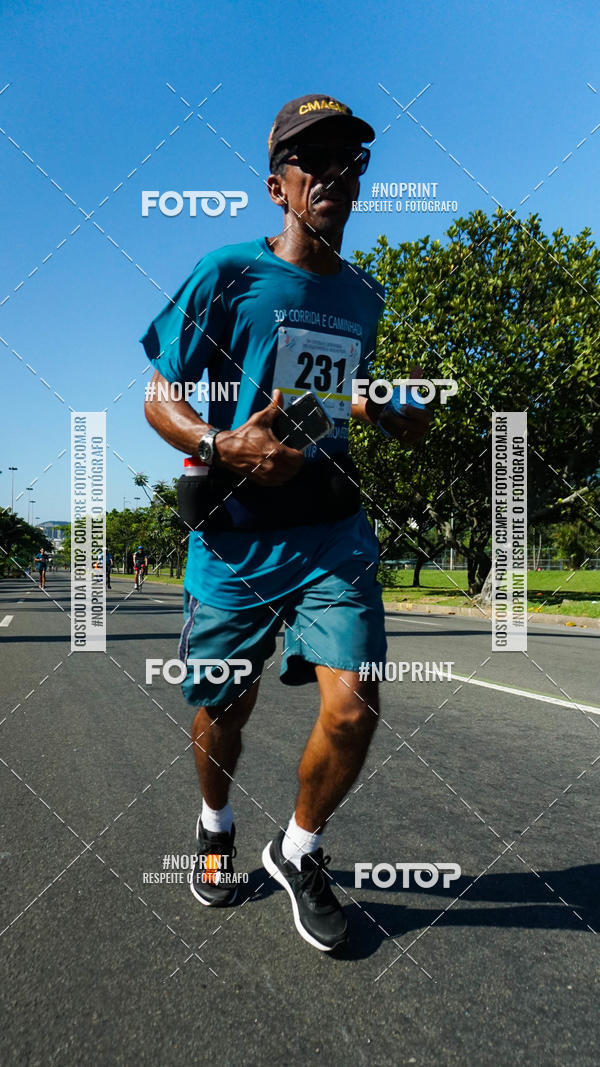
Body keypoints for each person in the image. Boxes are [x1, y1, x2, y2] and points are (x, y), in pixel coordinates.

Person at [142, 94, 430, 951]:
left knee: (356, 705)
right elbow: (161, 395)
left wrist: (385, 406)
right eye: (312, 160)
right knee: (225, 702)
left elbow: (333, 398)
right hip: (237, 533)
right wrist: (221, 442)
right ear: (278, 185)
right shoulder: (229, 273)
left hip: (331, 530)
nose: (333, 173)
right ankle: (216, 822)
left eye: (349, 159)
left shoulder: (366, 297)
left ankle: (297, 849)